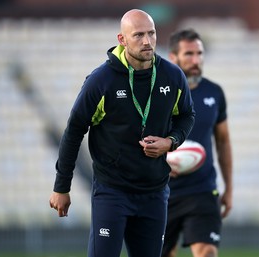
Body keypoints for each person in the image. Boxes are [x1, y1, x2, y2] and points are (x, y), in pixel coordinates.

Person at [49, 9, 195, 257]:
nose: (147, 41)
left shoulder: (172, 76)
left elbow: (187, 115)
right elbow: (74, 131)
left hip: (155, 191)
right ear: (122, 39)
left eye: (151, 33)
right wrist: (61, 186)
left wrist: (171, 142)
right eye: (138, 35)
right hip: (112, 192)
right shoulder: (101, 81)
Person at [162, 29, 233, 257]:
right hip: (161, 192)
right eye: (189, 54)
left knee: (207, 252)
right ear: (173, 57)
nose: (196, 60)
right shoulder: (157, 94)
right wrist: (163, 160)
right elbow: (137, 138)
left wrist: (229, 188)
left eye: (199, 54)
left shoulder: (214, 92)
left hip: (202, 190)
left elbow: (223, 141)